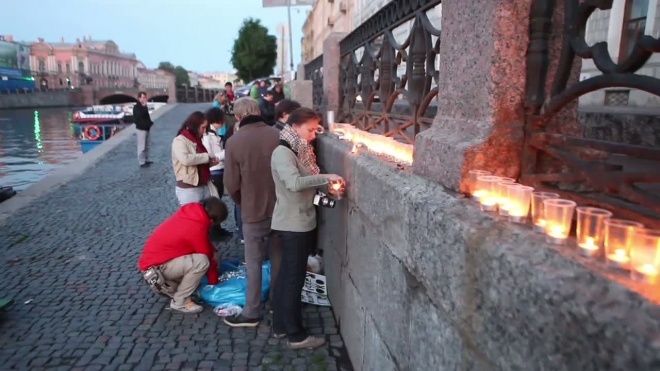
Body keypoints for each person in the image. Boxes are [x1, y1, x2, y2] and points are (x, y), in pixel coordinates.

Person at [270, 107, 343, 349]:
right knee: (293, 279)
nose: (314, 134)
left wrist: (328, 188)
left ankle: (280, 326)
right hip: (293, 224)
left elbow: (307, 182)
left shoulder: (299, 150)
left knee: (286, 277)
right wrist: (326, 177)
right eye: (310, 129)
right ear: (296, 125)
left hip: (298, 221)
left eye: (315, 129)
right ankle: (296, 335)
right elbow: (294, 183)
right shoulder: (283, 152)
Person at [223, 97, 282, 327]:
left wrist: (242, 202)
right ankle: (277, 302)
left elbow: (231, 184)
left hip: (251, 209)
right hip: (280, 208)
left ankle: (252, 310)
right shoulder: (278, 135)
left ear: (238, 118)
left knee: (254, 261)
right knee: (278, 258)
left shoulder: (234, 142)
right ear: (258, 111)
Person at [137, 197, 228, 313]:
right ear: (212, 220)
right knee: (201, 262)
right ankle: (180, 301)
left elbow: (202, 241)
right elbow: (207, 258)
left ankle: (178, 287)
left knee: (199, 262)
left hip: (154, 264)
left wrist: (213, 251)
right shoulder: (196, 227)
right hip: (156, 270)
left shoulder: (191, 214)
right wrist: (214, 284)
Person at [172, 111, 220, 205]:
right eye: (203, 127)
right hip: (189, 189)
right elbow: (185, 159)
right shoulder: (179, 140)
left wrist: (211, 162)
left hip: (204, 185)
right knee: (193, 218)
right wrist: (206, 157)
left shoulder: (197, 141)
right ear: (195, 126)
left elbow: (198, 162)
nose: (205, 131)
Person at [202, 107, 232, 237]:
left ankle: (217, 228)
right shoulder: (208, 136)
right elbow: (210, 155)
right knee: (215, 200)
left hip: (218, 169)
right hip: (214, 170)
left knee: (217, 199)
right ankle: (214, 230)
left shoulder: (213, 134)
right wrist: (226, 152)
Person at [133, 91, 153, 167]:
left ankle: (146, 159)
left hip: (146, 128)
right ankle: (141, 162)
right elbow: (140, 116)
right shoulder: (137, 107)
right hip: (141, 128)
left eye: (145, 97)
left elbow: (147, 116)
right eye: (143, 97)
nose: (145, 99)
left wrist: (150, 123)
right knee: (141, 146)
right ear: (139, 98)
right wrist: (144, 107)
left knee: (147, 145)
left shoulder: (144, 106)